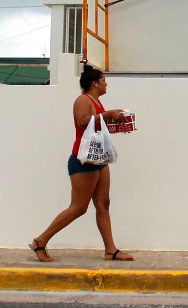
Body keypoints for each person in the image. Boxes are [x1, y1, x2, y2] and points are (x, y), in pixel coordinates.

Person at [29, 63, 134, 262]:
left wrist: (115, 120)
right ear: (94, 83)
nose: (106, 84)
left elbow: (96, 127)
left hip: (99, 159)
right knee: (78, 207)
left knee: (103, 204)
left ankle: (110, 250)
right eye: (103, 81)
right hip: (84, 160)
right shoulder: (83, 100)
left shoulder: (96, 103)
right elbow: (83, 121)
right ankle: (40, 241)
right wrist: (107, 114)